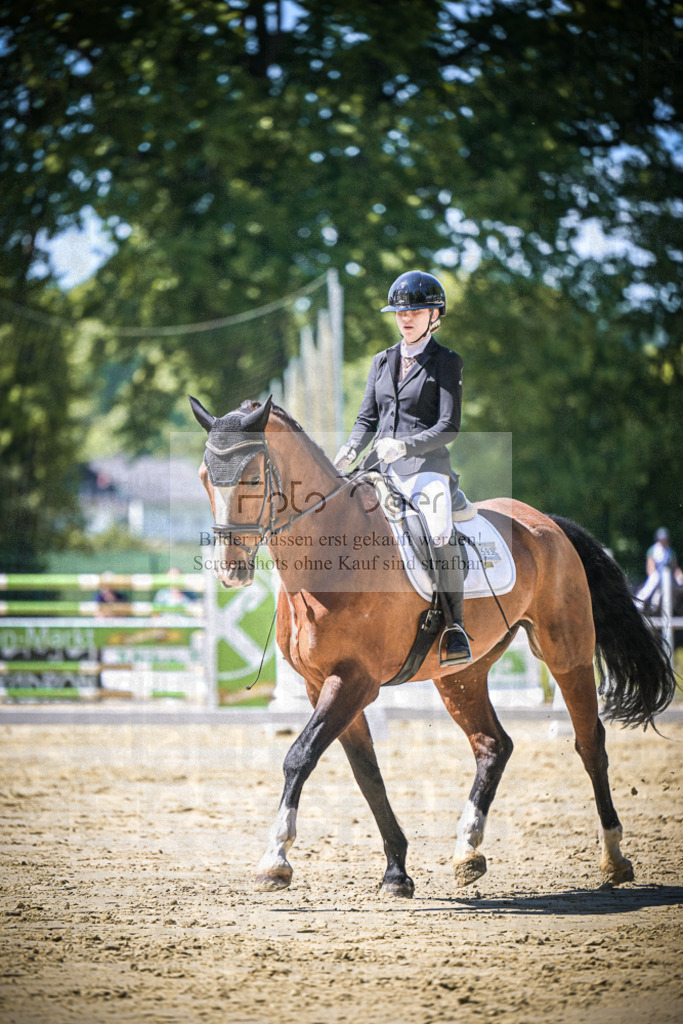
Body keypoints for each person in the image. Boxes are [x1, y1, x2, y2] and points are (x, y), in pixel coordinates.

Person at [333, 269, 471, 665]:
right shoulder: (382, 361)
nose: (406, 318)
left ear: (435, 315)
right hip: (378, 468)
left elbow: (449, 426)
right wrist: (349, 450)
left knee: (440, 529)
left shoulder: (446, 362)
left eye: (416, 311)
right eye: (399, 313)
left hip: (426, 468)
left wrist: (404, 444)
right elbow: (366, 420)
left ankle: (454, 626)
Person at [636, 527, 683, 610]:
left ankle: (658, 607)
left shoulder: (670, 552)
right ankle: (638, 603)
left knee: (670, 586)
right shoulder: (653, 550)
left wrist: (679, 576)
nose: (663, 541)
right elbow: (650, 566)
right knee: (652, 583)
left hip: (667, 576)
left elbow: (674, 567)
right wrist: (655, 576)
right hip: (656, 574)